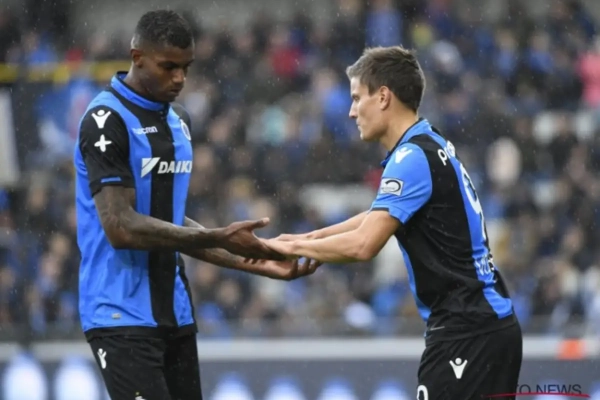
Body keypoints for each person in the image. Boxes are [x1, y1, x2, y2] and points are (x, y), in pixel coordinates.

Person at [74, 10, 319, 400]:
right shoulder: (105, 120)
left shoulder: (180, 122)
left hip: (176, 312)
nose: (180, 79)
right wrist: (216, 236)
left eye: (186, 68)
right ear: (137, 57)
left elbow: (170, 222)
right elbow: (120, 226)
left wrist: (256, 261)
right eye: (168, 67)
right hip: (119, 314)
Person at [264, 46, 523, 400]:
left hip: (467, 332)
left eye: (357, 98)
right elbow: (376, 217)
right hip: (483, 327)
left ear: (384, 97)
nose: (352, 111)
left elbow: (364, 244)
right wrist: (307, 239)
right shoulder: (428, 142)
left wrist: (289, 248)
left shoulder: (411, 157)